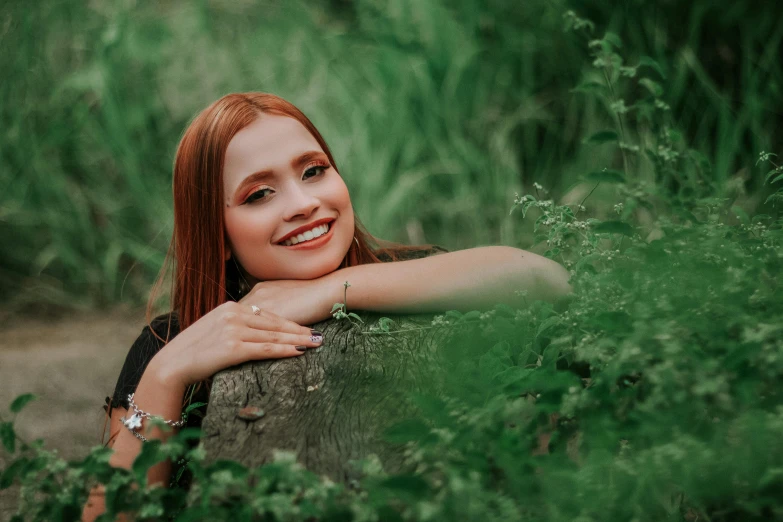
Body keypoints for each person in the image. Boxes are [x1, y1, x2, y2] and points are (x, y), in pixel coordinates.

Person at [81, 92, 571, 520]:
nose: (302, 202)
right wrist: (164, 375)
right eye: (259, 194)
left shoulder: (413, 272)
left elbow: (544, 278)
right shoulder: (169, 341)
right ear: (218, 233)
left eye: (314, 171)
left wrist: (331, 288)